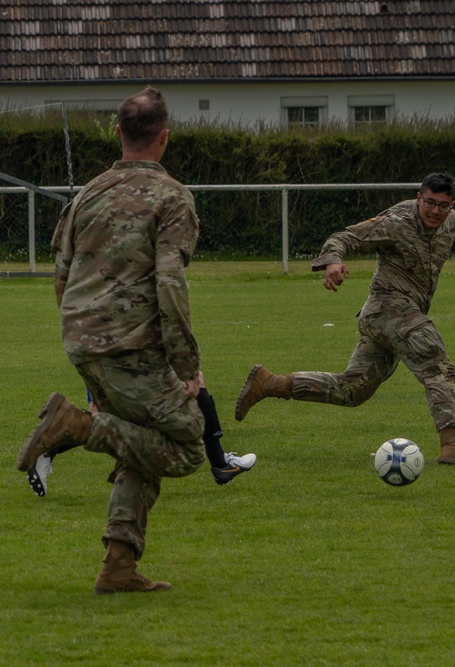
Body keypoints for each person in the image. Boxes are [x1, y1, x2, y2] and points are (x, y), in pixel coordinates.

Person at [16, 86, 207, 593]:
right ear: (164, 138)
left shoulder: (88, 194)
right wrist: (188, 369)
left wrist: (82, 341)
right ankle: (80, 427)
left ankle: (118, 566)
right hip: (131, 347)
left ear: (118, 133)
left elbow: (61, 274)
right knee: (188, 445)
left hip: (81, 338)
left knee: (142, 441)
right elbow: (170, 283)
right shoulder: (173, 197)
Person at [234, 172, 455, 465]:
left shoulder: (453, 222)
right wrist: (333, 261)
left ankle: (271, 383)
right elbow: (345, 237)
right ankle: (453, 444)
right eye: (430, 203)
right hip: (388, 308)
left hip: (396, 317)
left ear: (452, 204)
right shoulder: (396, 222)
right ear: (418, 197)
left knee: (353, 389)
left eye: (443, 205)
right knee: (435, 360)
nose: (436, 211)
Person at [26, 377, 256, 497]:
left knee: (195, 383)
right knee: (101, 416)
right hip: (115, 343)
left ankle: (221, 464)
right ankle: (48, 446)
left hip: (129, 338)